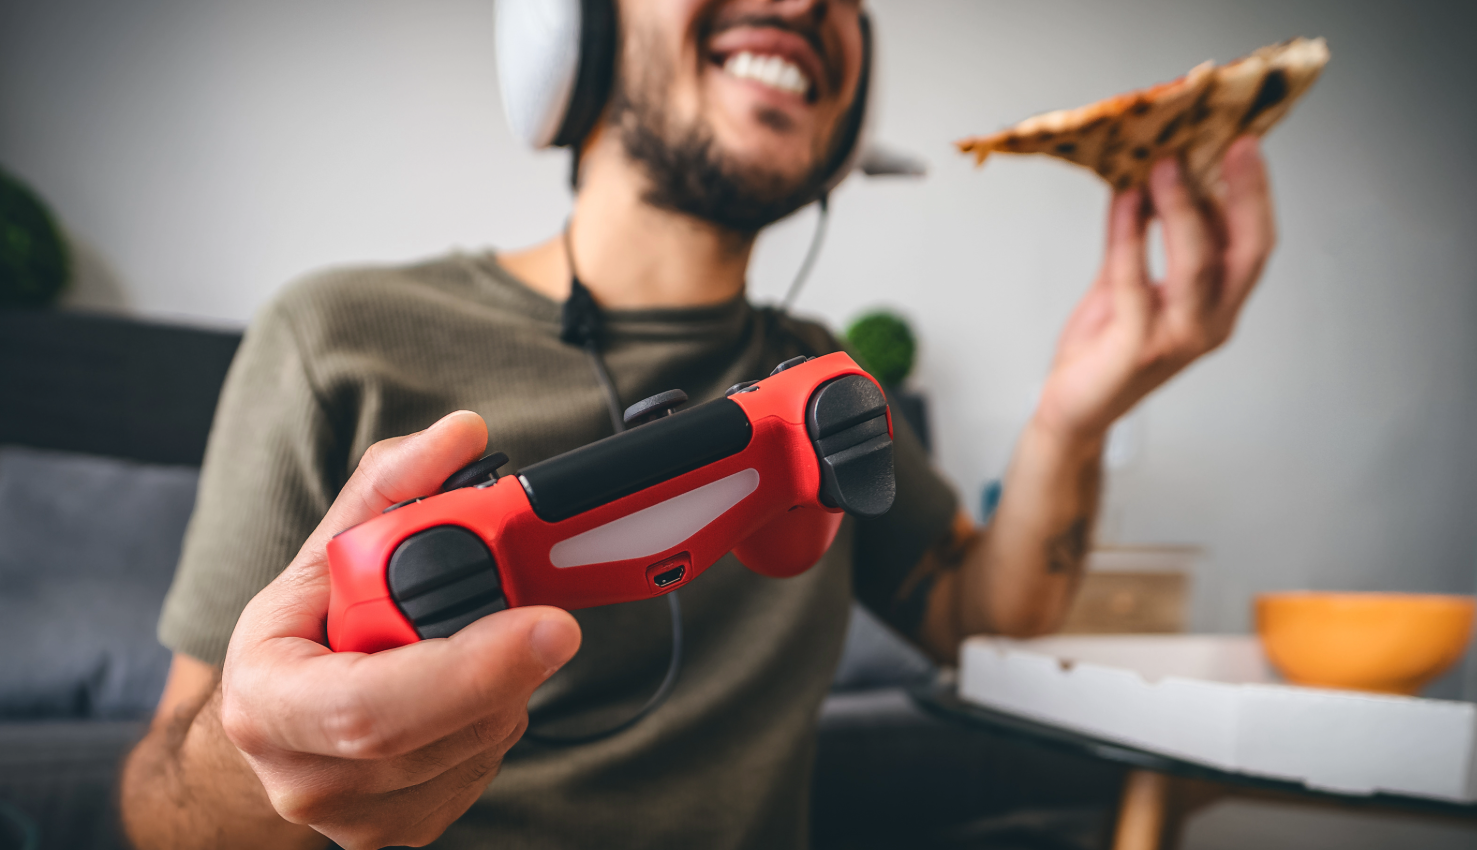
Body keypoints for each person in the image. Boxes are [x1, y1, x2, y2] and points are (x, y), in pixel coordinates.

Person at [119, 1, 1275, 848]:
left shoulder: (822, 380)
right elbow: (161, 809)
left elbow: (986, 615)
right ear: (566, 35)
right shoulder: (339, 332)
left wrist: (1075, 412)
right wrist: (261, 754)